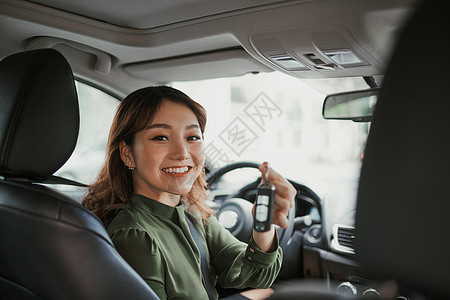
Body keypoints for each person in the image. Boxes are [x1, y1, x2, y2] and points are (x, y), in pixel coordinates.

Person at [82, 86, 296, 300]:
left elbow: (251, 274)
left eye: (192, 137)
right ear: (128, 154)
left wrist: (264, 225)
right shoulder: (135, 237)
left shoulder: (192, 214)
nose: (182, 153)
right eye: (161, 137)